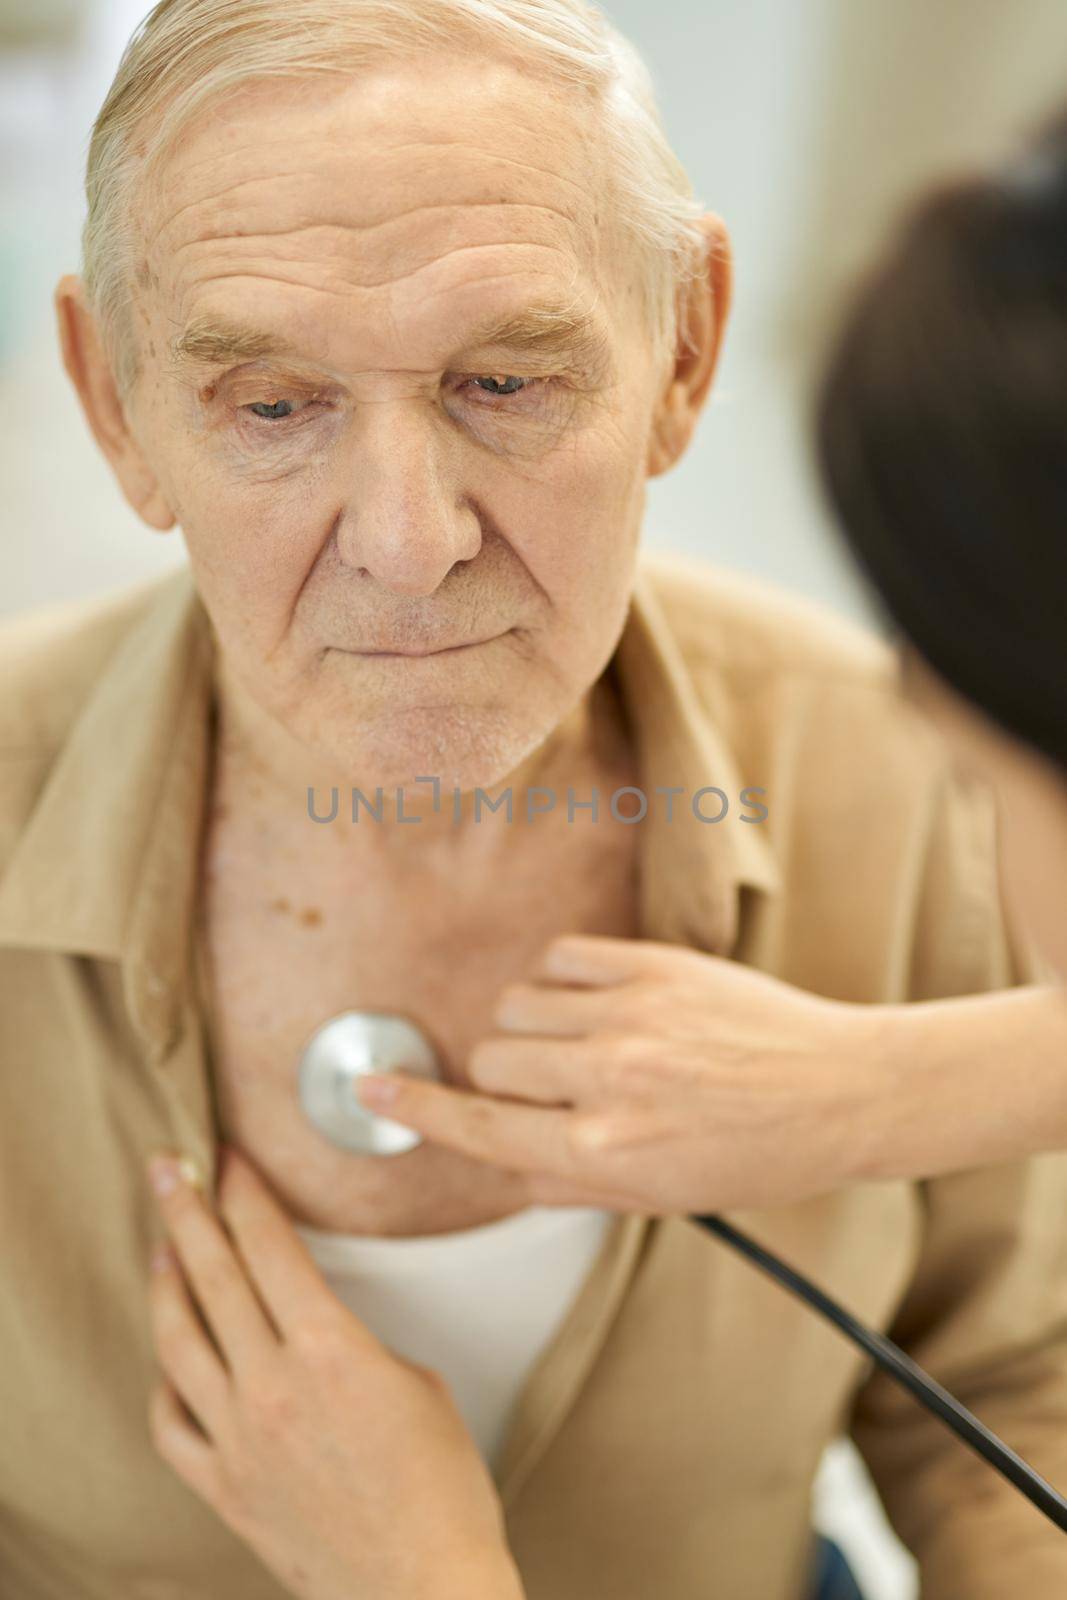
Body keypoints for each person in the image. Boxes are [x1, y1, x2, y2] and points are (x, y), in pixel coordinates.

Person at [3, 6, 1067, 1600]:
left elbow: (1016, 1391)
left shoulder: (922, 775)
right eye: (272, 407)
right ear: (115, 403)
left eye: (504, 380)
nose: (405, 538)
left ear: (683, 351)